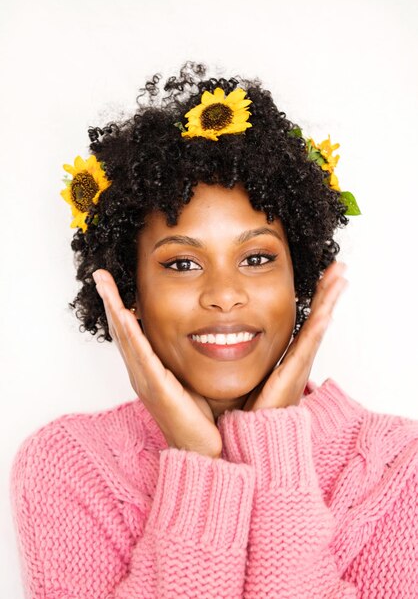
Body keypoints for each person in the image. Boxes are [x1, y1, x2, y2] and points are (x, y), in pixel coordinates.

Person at [10, 61, 418, 598]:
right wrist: (199, 464)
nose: (225, 294)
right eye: (182, 263)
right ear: (128, 290)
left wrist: (276, 453)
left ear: (301, 277)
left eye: (256, 258)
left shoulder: (399, 468)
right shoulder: (66, 467)